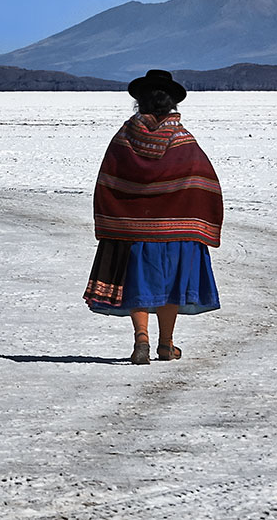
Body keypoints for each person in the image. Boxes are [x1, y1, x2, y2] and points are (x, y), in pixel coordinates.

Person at [83, 69, 223, 365]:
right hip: (174, 233)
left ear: (141, 102)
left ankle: (141, 340)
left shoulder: (124, 137)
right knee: (170, 285)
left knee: (139, 284)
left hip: (133, 232)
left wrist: (115, 219)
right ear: (171, 104)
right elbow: (199, 180)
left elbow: (109, 179)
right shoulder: (183, 139)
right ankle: (166, 344)